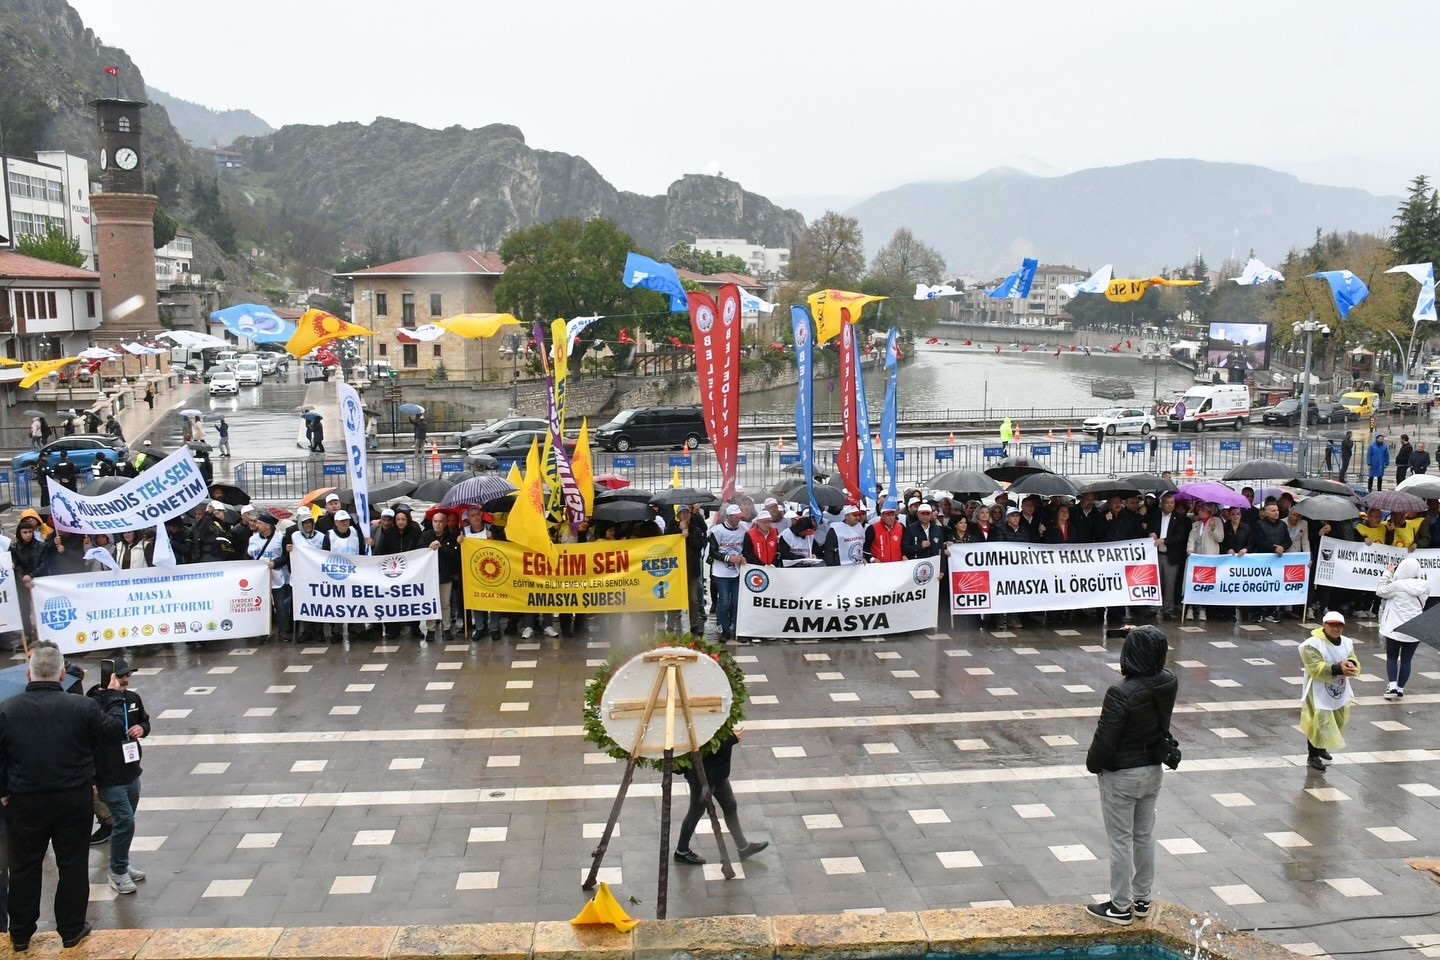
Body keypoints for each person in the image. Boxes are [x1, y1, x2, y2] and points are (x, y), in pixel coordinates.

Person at [0, 642, 129, 951]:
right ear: (61, 674)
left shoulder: (7, 709)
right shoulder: (81, 707)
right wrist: (112, 694)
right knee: (72, 864)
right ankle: (71, 929)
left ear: (29, 674)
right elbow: (114, 731)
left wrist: (3, 791)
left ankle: (19, 933)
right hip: (73, 799)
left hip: (24, 801)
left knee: (24, 868)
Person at [1083, 625, 1178, 926]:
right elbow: (1155, 651)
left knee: (1121, 840)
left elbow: (1104, 740)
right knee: (1144, 835)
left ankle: (1119, 906)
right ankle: (1142, 899)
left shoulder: (1120, 693)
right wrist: (1144, 633)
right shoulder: (1168, 682)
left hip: (1121, 775)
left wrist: (1093, 765)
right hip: (1152, 770)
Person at [84, 658, 150, 895]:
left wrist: (142, 728)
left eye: (127, 675)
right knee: (125, 822)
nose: (125, 680)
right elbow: (87, 742)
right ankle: (118, 871)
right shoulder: (92, 704)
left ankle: (120, 863)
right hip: (108, 777)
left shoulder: (132, 699)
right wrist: (91, 780)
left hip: (132, 772)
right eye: (120, 676)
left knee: (126, 823)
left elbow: (145, 720)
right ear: (108, 677)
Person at [671, 729, 768, 867]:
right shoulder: (699, 721)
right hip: (702, 776)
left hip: (717, 772)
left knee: (730, 805)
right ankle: (682, 851)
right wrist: (731, 738)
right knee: (696, 812)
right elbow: (706, 747)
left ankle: (743, 847)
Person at [1300, 611, 1361, 771]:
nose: (1336, 629)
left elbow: (1352, 656)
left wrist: (1351, 664)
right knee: (1318, 720)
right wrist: (1337, 668)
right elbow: (1315, 666)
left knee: (1337, 718)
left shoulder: (1347, 642)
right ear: (1324, 625)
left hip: (1338, 687)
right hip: (1318, 688)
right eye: (1332, 625)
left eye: (1339, 626)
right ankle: (1312, 754)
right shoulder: (1311, 644)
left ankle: (1322, 746)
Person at [1377, 557, 1429, 700]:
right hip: (1415, 629)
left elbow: (1380, 591)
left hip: (1395, 628)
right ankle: (1400, 689)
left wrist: (1387, 574)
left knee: (1392, 657)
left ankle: (1392, 686)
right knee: (1407, 660)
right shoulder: (1425, 585)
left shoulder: (1397, 585)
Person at [706, 505, 747, 644]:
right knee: (724, 601)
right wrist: (728, 558)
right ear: (729, 517)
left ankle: (736, 628)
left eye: (740, 517)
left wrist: (743, 557)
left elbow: (746, 548)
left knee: (736, 601)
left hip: (737, 571)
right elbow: (712, 552)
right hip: (721, 572)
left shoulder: (743, 529)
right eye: (736, 517)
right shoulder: (717, 531)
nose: (739, 519)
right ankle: (724, 628)